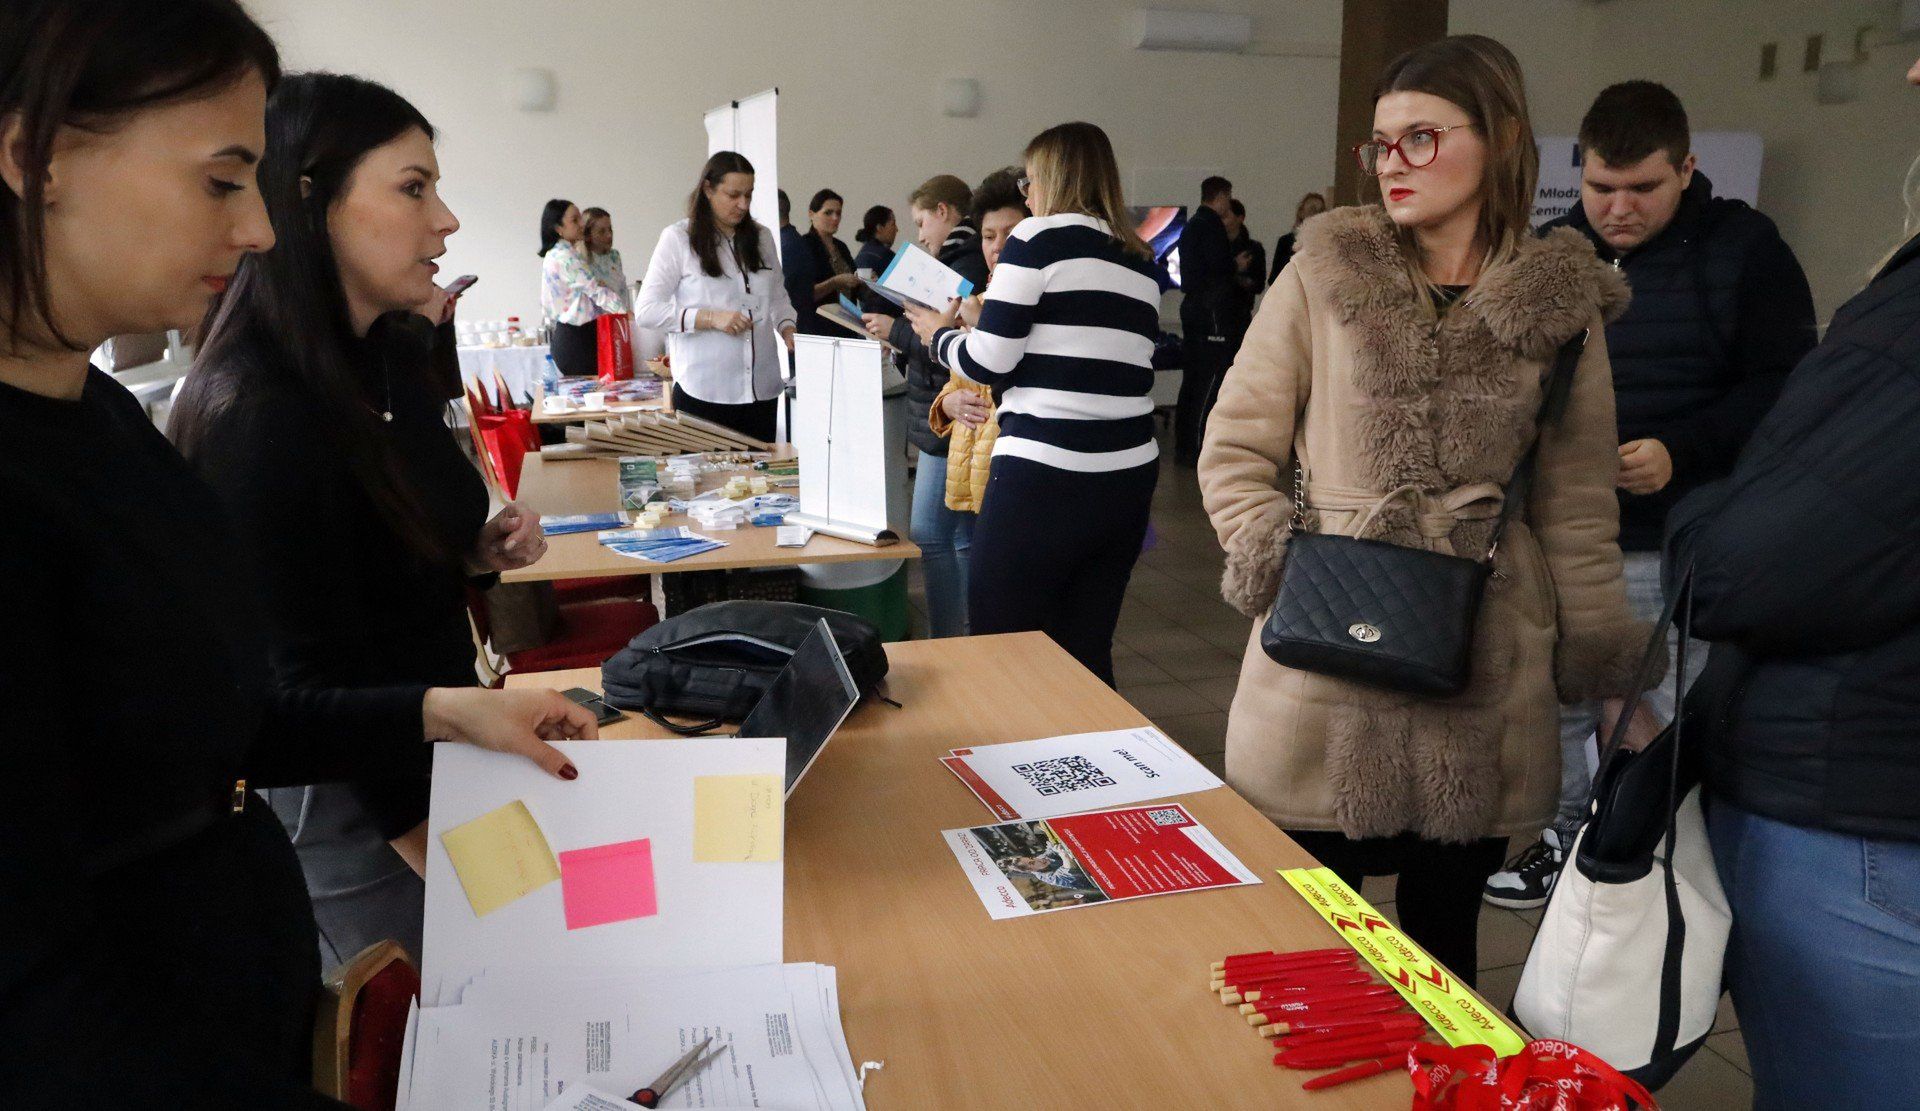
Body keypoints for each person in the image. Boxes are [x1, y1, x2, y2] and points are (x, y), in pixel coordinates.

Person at [0, 2, 596, 1103]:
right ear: (36, 156)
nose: (257, 228)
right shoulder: (226, 424)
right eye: (223, 181)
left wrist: (446, 708)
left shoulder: (101, 419)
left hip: (240, 1007)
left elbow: (217, 719)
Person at [1198, 34, 1651, 983]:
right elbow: (1235, 444)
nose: (1392, 165)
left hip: (1482, 655)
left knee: (1445, 938)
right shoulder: (1328, 272)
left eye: (1421, 138)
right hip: (1326, 637)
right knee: (1314, 937)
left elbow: (1575, 510)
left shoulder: (1558, 301)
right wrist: (1279, 559)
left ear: (1502, 137)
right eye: (1380, 143)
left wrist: (1605, 667)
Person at [169, 71, 552, 968]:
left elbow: (389, 551)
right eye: (413, 188)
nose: (446, 219)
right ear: (313, 202)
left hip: (438, 748)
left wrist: (475, 552)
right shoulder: (255, 412)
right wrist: (441, 858)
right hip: (360, 800)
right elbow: (301, 682)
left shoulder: (383, 361)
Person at [1657, 55, 1920, 1111]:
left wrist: (1696, 501)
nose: (1908, 64)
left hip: (1858, 810)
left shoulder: (1774, 268)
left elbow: (1741, 568)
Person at [1485, 80, 1818, 910]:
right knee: (1560, 698)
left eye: (1643, 189)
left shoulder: (1745, 248)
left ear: (1688, 169)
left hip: (1681, 531)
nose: (1619, 209)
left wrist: (1682, 450)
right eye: (1601, 188)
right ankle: (1563, 841)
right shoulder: (1556, 251)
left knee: (1651, 705)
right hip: (1566, 529)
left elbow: (1785, 385)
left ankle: (1642, 854)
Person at [905, 123, 1162, 685]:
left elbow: (988, 364)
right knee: (1085, 646)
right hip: (1127, 478)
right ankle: (1089, 764)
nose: (1027, 194)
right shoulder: (1140, 258)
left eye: (1030, 180)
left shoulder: (1037, 238)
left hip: (1046, 473)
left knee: (1003, 642)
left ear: (1051, 178)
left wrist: (937, 335)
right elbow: (1088, 356)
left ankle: (1010, 766)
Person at [861, 174, 990, 638]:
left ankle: (951, 638)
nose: (918, 235)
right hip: (942, 409)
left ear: (943, 211)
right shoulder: (950, 260)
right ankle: (960, 634)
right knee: (955, 538)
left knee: (937, 536)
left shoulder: (962, 262)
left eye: (921, 222)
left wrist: (897, 331)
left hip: (952, 412)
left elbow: (943, 343)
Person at [634, 151, 797, 443]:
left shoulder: (762, 238)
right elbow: (646, 309)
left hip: (761, 390)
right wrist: (709, 318)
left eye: (749, 195)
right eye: (733, 195)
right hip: (704, 391)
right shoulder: (678, 238)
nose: (743, 204)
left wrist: (788, 327)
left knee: (760, 484)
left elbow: (777, 296)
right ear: (708, 189)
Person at [927, 168, 1028, 522]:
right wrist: (947, 404)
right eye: (988, 236)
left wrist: (978, 326)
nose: (998, 246)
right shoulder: (977, 301)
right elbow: (956, 382)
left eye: (1010, 234)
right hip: (969, 462)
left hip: (1008, 470)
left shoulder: (1039, 304)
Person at [1175, 174, 1244, 465]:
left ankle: (1184, 445)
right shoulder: (1210, 225)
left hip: (1193, 308)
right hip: (1211, 312)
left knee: (1192, 378)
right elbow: (1219, 267)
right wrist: (1235, 264)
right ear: (1222, 196)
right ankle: (1199, 447)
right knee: (1211, 378)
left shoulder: (1191, 225)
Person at [539, 197, 624, 378]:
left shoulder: (560, 253)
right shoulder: (566, 257)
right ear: (558, 228)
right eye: (575, 220)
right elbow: (596, 291)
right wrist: (627, 315)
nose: (581, 225)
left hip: (574, 334)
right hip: (576, 338)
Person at [791, 188, 861, 336]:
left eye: (838, 213)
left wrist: (865, 281)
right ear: (812, 214)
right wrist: (834, 282)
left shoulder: (841, 246)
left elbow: (854, 282)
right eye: (828, 213)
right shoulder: (803, 246)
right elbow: (801, 294)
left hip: (846, 326)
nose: (835, 218)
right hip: (818, 329)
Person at [1269, 191, 1328, 286]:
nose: (1315, 214)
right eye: (1312, 209)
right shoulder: (1285, 242)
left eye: (1320, 211)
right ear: (1301, 212)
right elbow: (1274, 278)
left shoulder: (1325, 243)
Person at [582, 205, 632, 313]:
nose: (609, 235)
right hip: (597, 323)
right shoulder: (582, 260)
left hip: (620, 317)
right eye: (602, 232)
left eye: (610, 229)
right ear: (588, 236)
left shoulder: (614, 256)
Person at [1225, 199, 1266, 304]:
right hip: (1215, 312)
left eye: (1226, 216)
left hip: (1241, 310)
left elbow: (1259, 286)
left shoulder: (1254, 248)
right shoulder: (1213, 245)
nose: (1221, 220)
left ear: (1240, 218)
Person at [852, 204, 898, 275]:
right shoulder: (887, 257)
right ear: (879, 228)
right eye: (893, 224)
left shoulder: (860, 256)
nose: (896, 229)